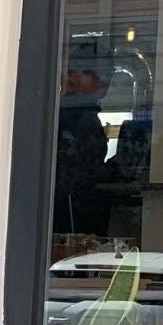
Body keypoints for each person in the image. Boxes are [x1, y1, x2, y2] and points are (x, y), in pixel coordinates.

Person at [52, 35, 112, 241]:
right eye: (94, 73)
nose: (105, 79)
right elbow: (77, 173)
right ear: (72, 75)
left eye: (108, 72)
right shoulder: (71, 118)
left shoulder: (80, 115)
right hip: (72, 214)